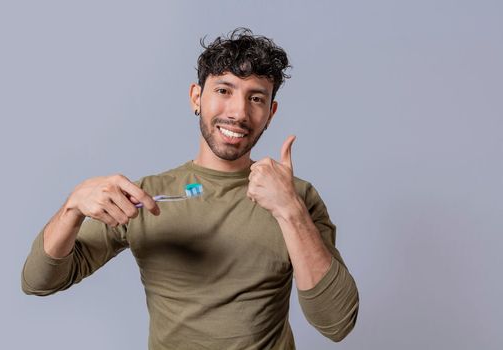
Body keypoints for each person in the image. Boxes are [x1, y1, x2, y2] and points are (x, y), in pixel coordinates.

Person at [21, 28, 359, 349]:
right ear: (196, 97)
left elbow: (336, 322)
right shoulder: (144, 197)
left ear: (270, 114)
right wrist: (72, 209)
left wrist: (289, 211)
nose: (239, 112)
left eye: (255, 98)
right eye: (223, 91)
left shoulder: (296, 198)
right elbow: (39, 281)